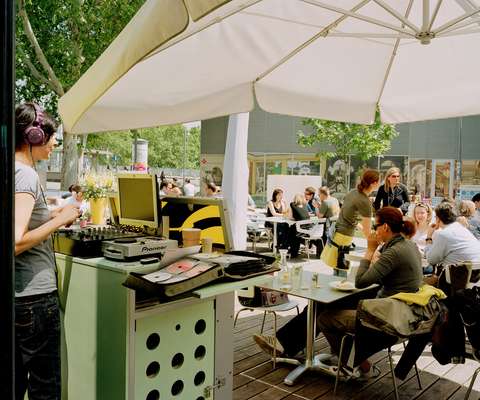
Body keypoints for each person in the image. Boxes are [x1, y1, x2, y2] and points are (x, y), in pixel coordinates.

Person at [254, 207, 422, 375]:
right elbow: (377, 276)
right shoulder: (408, 245)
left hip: (386, 314)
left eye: (375, 226)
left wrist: (370, 250)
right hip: (399, 308)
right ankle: (285, 344)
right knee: (323, 302)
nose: (373, 231)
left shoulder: (394, 251)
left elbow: (361, 280)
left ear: (385, 227)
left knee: (325, 317)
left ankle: (354, 362)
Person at [15, 102, 81, 399]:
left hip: (21, 299)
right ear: (33, 136)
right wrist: (61, 221)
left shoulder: (13, 171)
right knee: (46, 389)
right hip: (35, 301)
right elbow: (15, 242)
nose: (54, 142)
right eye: (51, 136)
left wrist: (52, 215)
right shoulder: (26, 176)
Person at [321, 169, 380, 270]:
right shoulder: (365, 202)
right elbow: (367, 232)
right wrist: (374, 249)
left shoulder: (353, 192)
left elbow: (347, 215)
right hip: (344, 236)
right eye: (379, 181)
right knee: (341, 268)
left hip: (337, 232)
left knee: (337, 266)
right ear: (374, 183)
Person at [424, 202, 480, 271]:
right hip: (475, 276)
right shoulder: (462, 228)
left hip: (456, 277)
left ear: (438, 219)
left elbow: (431, 259)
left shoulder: (443, 234)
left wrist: (429, 237)